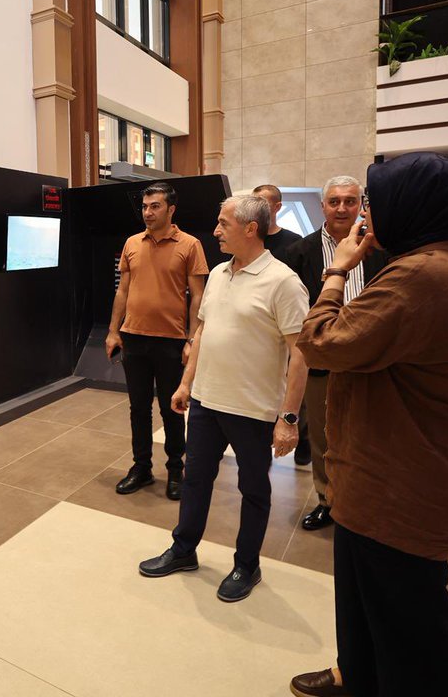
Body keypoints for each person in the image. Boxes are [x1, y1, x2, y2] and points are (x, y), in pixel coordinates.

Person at [289, 152, 448, 697]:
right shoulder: (426, 264)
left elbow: (320, 341)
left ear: (411, 207)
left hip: (399, 490)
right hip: (374, 480)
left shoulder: (420, 275)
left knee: (413, 636)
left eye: (371, 200)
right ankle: (354, 673)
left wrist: (336, 272)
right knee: (361, 605)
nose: (360, 214)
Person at [138, 194, 308, 602]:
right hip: (206, 402)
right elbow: (202, 334)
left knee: (254, 490)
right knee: (196, 480)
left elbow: (301, 353)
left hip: (252, 409)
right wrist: (185, 385)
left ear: (251, 229)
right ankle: (183, 550)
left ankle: (247, 566)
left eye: (223, 224)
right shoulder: (218, 273)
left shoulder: (283, 281)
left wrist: (289, 418)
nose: (215, 230)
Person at [276, 176, 389, 531]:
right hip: (321, 359)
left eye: (350, 201)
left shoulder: (382, 249)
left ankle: (367, 500)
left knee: (372, 433)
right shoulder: (299, 253)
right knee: (324, 437)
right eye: (335, 201)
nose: (342, 208)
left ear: (361, 206)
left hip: (373, 359)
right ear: (323, 206)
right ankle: (328, 500)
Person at [106, 182, 209, 501]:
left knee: (172, 409)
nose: (147, 212)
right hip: (134, 338)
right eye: (145, 207)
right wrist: (113, 330)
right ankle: (142, 467)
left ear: (171, 209)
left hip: (172, 341)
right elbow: (122, 291)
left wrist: (192, 340)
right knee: (138, 408)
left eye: (155, 207)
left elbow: (198, 298)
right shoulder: (132, 243)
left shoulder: (190, 245)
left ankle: (176, 470)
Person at [253, 184, 302, 253]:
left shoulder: (294, 241)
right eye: (253, 204)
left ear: (277, 207)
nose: (255, 208)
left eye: (262, 204)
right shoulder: (245, 238)